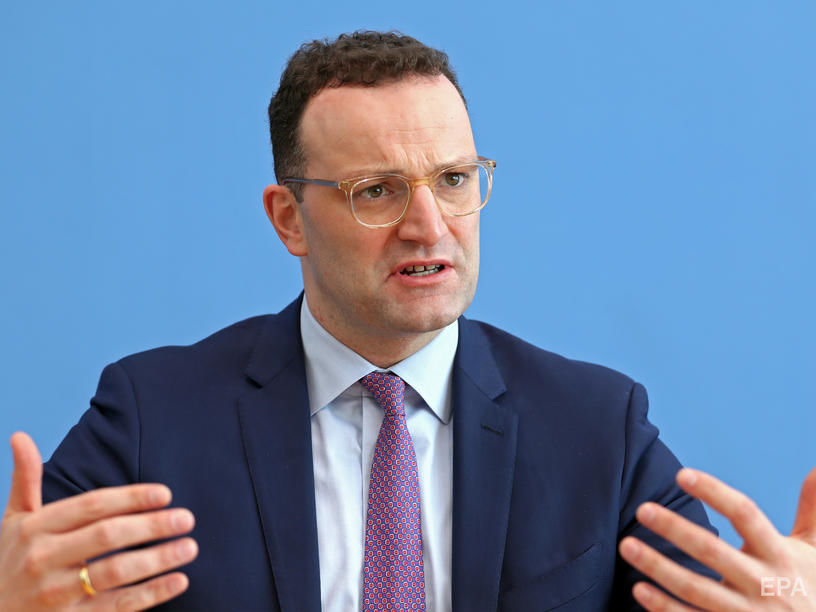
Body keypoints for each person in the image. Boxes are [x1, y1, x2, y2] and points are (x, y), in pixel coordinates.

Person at [1, 30, 814, 612]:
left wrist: (789, 596)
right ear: (288, 219)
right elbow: (38, 585)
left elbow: (729, 599)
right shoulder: (152, 418)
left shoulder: (599, 426)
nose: (430, 226)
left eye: (453, 180)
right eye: (378, 191)